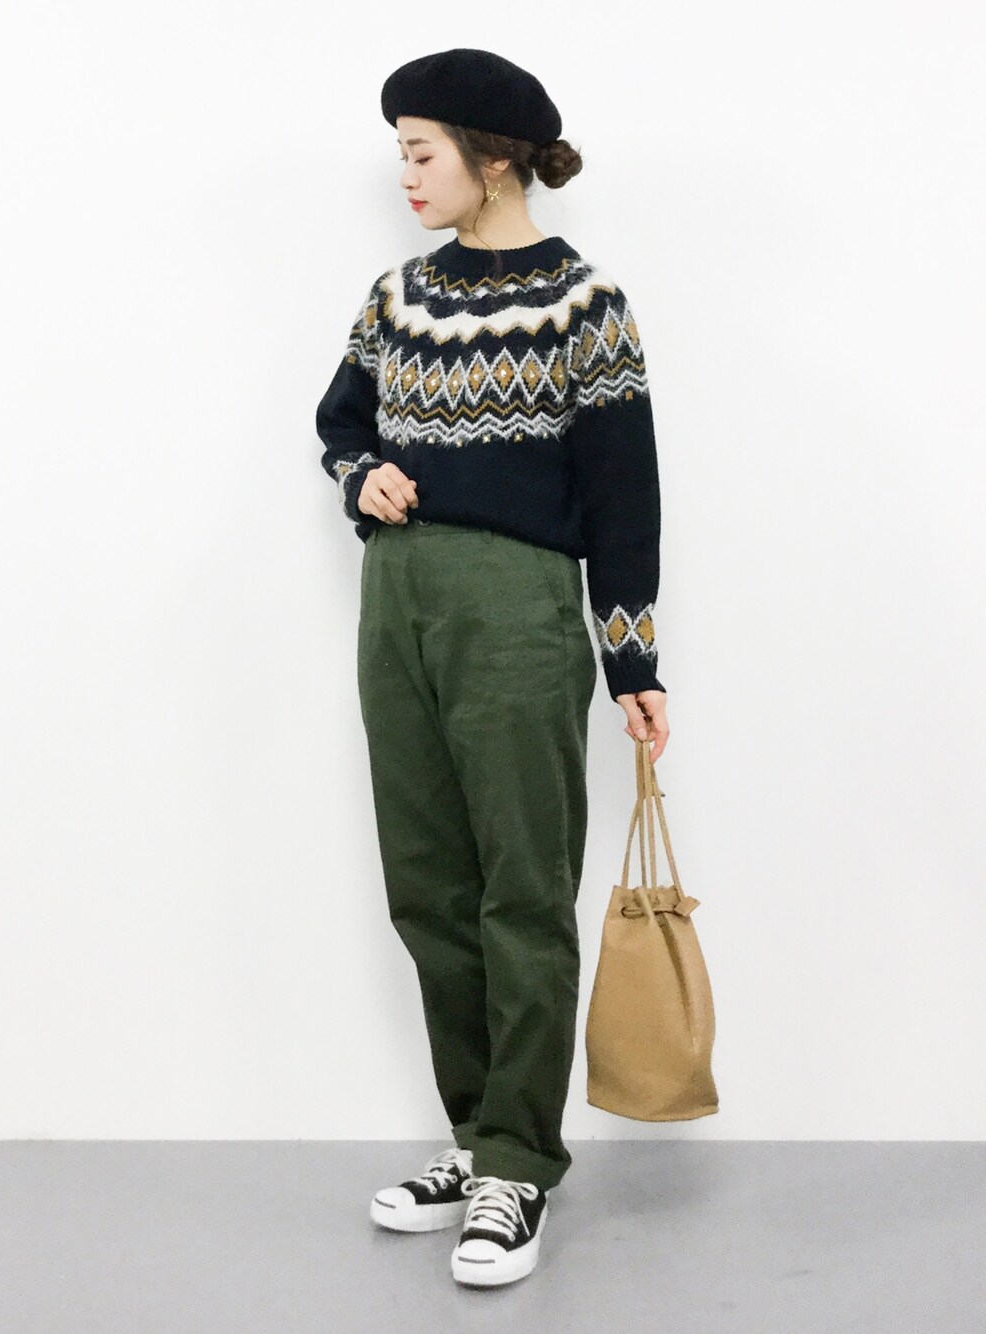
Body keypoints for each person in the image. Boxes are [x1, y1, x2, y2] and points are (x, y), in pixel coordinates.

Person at [314, 47, 670, 1288]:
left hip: (518, 609)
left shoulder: (585, 304)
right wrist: (364, 475)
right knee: (427, 882)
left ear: (494, 158)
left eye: (421, 152)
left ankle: (519, 1159)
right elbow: (339, 422)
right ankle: (476, 1139)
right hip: (397, 603)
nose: (405, 175)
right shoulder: (396, 295)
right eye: (401, 153)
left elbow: (623, 496)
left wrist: (631, 656)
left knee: (521, 887)